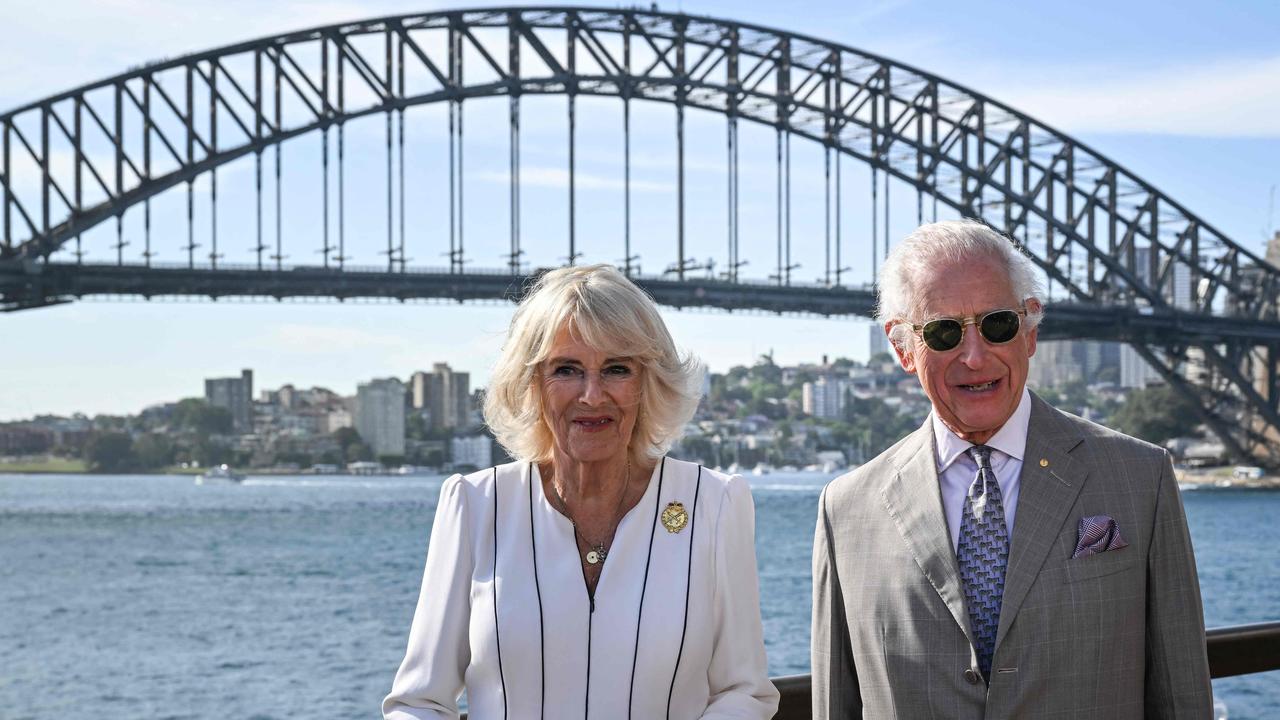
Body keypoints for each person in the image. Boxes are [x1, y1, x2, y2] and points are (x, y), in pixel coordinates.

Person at [812, 220, 1212, 718]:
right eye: (943, 332)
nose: (975, 357)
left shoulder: (1140, 478)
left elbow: (1182, 699)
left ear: (1030, 330)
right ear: (902, 349)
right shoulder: (845, 509)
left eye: (997, 324)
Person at [384, 264, 779, 719]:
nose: (592, 395)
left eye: (616, 369)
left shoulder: (714, 504)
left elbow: (743, 691)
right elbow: (418, 702)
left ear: (648, 382)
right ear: (532, 383)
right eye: (566, 369)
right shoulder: (476, 506)